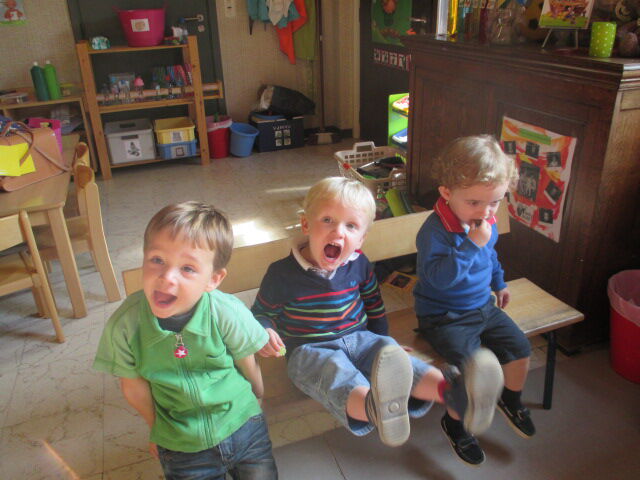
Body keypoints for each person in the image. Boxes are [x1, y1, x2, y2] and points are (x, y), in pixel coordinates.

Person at [252, 176, 504, 453]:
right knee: (336, 372)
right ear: (306, 225)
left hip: (361, 337)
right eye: (327, 220)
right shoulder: (281, 273)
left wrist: (386, 342)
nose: (338, 232)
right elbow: (261, 313)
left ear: (361, 238)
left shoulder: (359, 263)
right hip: (310, 349)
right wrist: (265, 330)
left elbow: (373, 303)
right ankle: (374, 408)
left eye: (351, 226)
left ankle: (455, 393)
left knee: (401, 362)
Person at [93, 202, 278, 480]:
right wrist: (157, 429)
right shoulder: (125, 325)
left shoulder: (225, 311)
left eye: (188, 268)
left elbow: (246, 360)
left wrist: (258, 399)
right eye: (157, 260)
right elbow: (132, 386)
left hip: (244, 427)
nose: (166, 277)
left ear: (213, 279)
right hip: (181, 446)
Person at [414, 135, 536, 466]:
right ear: (446, 193)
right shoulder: (434, 232)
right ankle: (455, 425)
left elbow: (490, 256)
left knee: (520, 348)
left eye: (495, 202)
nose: (486, 212)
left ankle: (510, 399)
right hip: (444, 316)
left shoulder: (484, 222)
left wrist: (499, 282)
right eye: (474, 203)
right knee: (473, 372)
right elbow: (439, 280)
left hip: (483, 306)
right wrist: (471, 244)